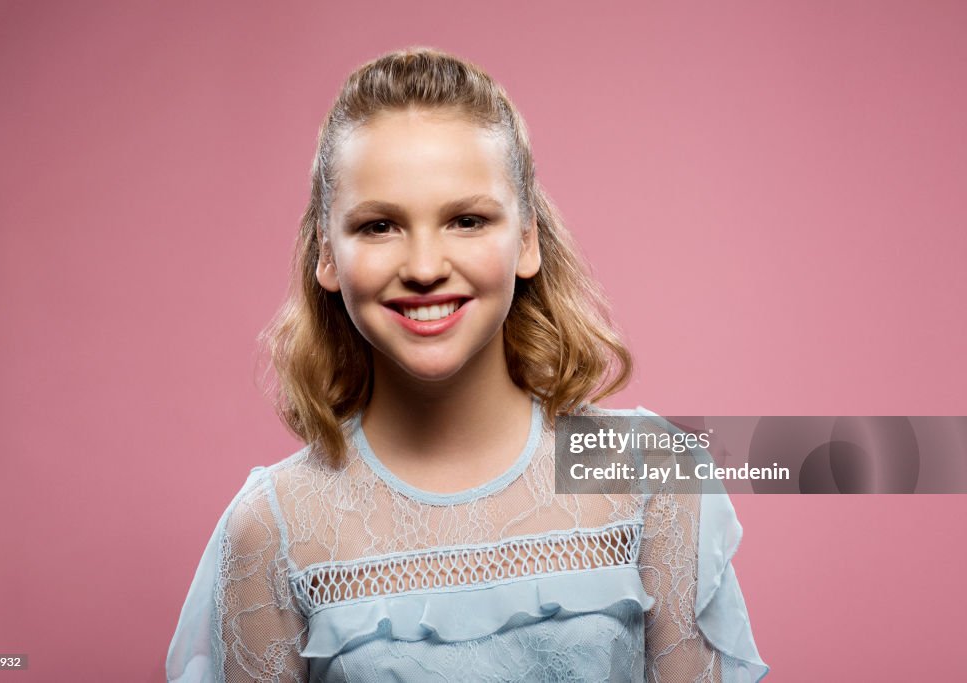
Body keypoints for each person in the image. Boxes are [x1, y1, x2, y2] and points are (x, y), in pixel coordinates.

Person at [166, 47, 768, 683]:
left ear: (528, 239)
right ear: (326, 253)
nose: (425, 267)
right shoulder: (272, 528)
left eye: (467, 219)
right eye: (379, 226)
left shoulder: (650, 476)